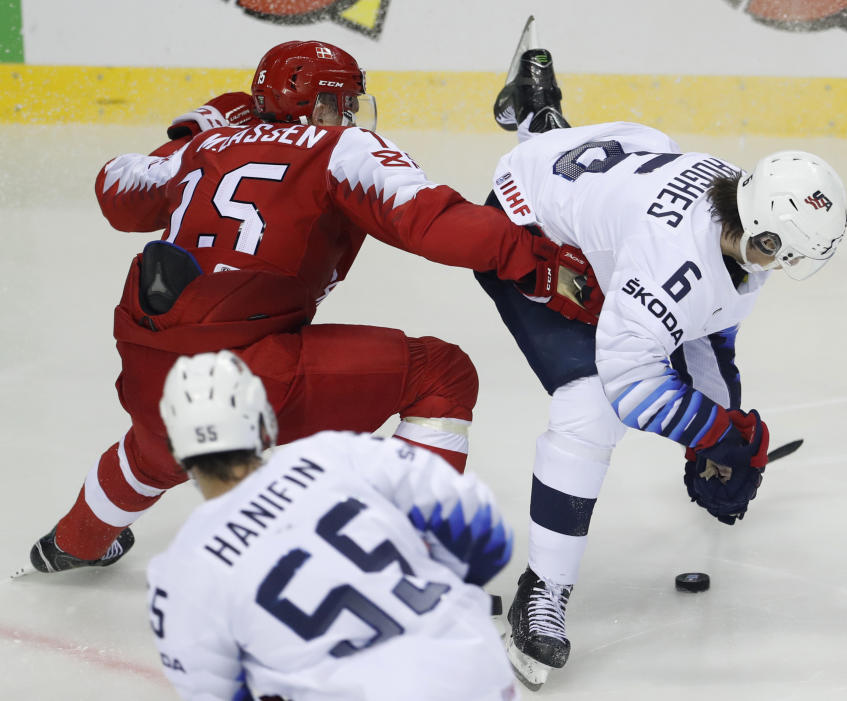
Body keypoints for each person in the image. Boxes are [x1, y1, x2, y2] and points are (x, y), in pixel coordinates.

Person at [28, 40, 595, 575]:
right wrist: (534, 259)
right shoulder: (341, 148)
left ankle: (73, 543)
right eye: (340, 101)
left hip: (148, 362)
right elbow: (430, 220)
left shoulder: (201, 150)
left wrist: (193, 130)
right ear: (316, 104)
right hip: (252, 376)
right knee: (441, 373)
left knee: (157, 444)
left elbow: (116, 190)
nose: (347, 114)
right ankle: (405, 564)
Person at [481, 27, 847, 689]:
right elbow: (632, 383)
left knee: (621, 197)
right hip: (523, 223)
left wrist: (720, 433)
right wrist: (720, 435)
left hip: (612, 174)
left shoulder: (737, 209)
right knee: (591, 406)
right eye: (789, 251)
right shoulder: (675, 262)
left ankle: (541, 119)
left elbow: (709, 331)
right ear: (763, 232)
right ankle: (544, 590)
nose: (788, 265)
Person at [147, 349, 518, 700]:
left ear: (178, 451)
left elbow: (215, 692)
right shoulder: (334, 452)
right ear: (264, 423)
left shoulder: (180, 571)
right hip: (474, 669)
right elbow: (486, 532)